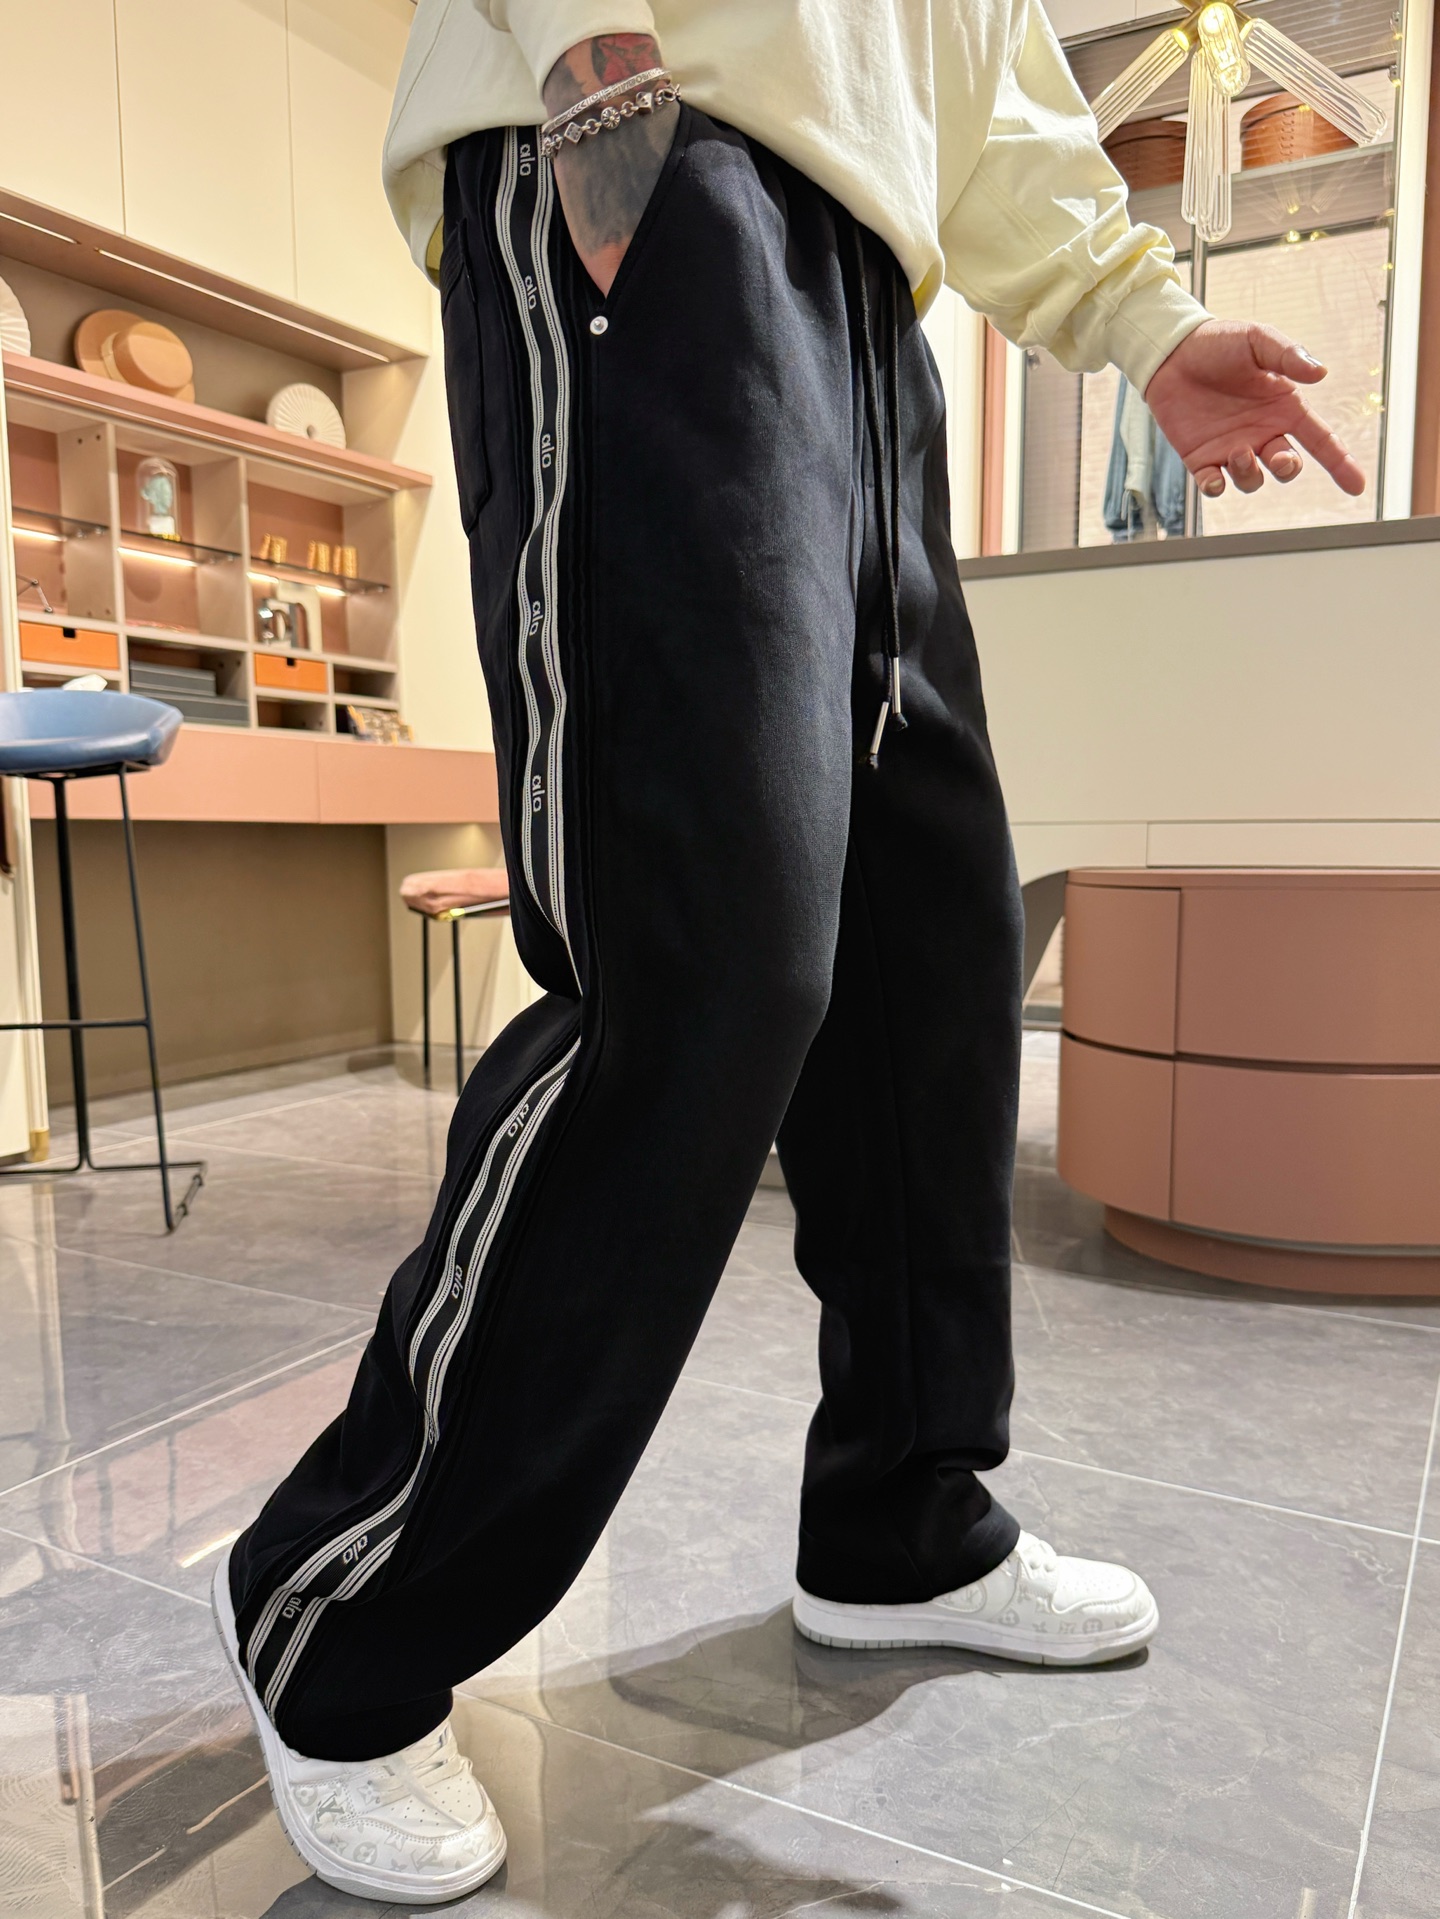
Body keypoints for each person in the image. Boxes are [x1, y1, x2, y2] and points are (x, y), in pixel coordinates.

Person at [211, 2, 1366, 1902]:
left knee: (928, 950)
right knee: (699, 961)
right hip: (651, 167)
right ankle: (343, 1614)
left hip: (866, 292)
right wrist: (610, 116)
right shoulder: (622, 145)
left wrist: (1142, 326)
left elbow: (980, 75)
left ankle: (902, 1520)